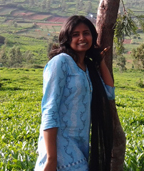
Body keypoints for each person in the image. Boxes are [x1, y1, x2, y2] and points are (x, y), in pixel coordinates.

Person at [35, 15, 115, 171]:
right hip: (58, 149)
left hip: (80, 146)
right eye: (75, 34)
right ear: (67, 38)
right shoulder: (61, 62)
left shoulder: (87, 68)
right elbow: (49, 111)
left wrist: (100, 62)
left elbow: (109, 93)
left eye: (86, 33)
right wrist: (51, 159)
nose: (81, 38)